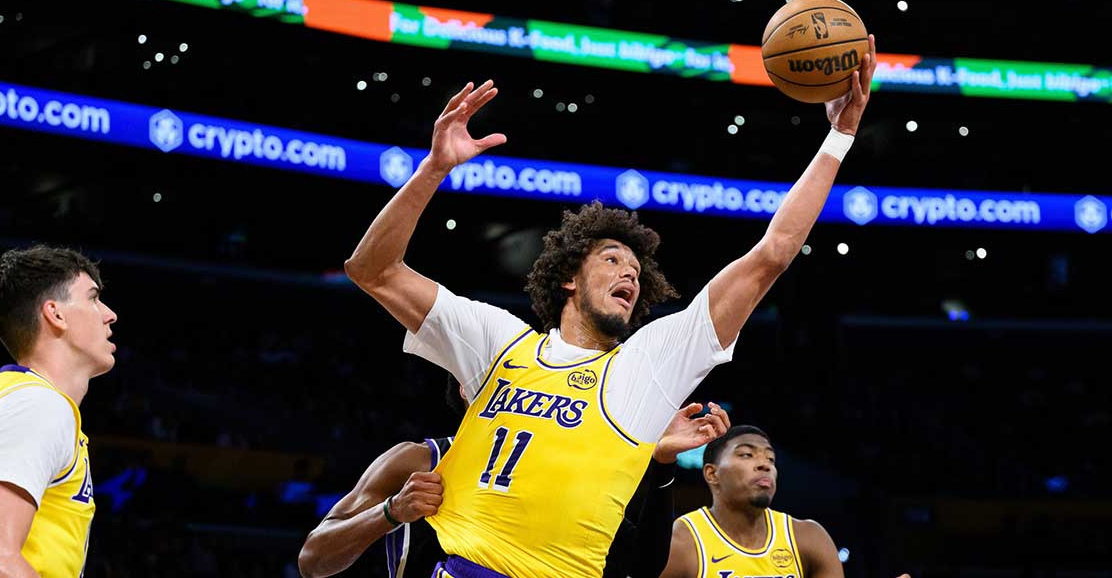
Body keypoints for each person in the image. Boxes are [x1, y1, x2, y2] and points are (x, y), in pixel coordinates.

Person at [344, 36, 877, 578]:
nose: (630, 272)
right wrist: (432, 169)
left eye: (637, 272)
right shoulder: (498, 340)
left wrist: (839, 136)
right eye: (614, 259)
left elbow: (771, 256)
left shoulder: (645, 367)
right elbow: (373, 271)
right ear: (570, 277)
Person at [297, 379, 730, 578]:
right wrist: (390, 513)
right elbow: (313, 560)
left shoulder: (568, 470)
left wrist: (660, 464)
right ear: (471, 389)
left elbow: (643, 565)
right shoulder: (417, 460)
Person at [0, 245, 117, 578]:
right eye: (92, 298)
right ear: (55, 314)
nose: (109, 313)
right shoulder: (38, 407)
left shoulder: (24, 401)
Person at [659, 426, 910, 578]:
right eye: (746, 454)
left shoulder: (808, 537)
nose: (764, 464)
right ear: (712, 474)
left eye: (770, 459)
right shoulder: (682, 542)